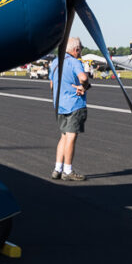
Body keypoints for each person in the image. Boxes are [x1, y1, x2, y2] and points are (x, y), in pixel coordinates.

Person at [48, 36, 91, 181]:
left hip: (60, 105)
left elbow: (52, 85)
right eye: (80, 49)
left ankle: (57, 169)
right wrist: (83, 86)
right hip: (74, 104)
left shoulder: (55, 62)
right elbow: (83, 78)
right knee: (71, 137)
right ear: (76, 49)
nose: (80, 52)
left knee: (63, 136)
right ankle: (68, 170)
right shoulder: (74, 62)